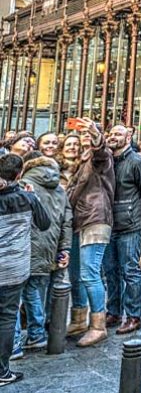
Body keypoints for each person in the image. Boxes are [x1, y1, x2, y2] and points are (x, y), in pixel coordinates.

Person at [103, 125, 141, 335]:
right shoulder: (107, 162)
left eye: (118, 134)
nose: (113, 137)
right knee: (110, 270)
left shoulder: (137, 162)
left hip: (130, 224)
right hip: (110, 224)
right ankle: (114, 311)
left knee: (130, 270)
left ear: (129, 137)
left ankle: (134, 316)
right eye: (111, 134)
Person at [0, 152, 51, 388]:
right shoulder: (27, 198)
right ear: (19, 173)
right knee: (7, 318)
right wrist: (31, 195)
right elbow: (44, 223)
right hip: (14, 267)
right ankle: (2, 370)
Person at [13, 151, 71, 354]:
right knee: (36, 291)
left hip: (24, 246)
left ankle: (22, 341)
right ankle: (38, 333)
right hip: (49, 248)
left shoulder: (22, 185)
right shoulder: (60, 189)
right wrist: (64, 248)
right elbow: (67, 222)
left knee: (19, 295)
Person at [65, 118, 114, 347]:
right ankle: (78, 318)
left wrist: (96, 136)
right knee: (76, 274)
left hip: (95, 219)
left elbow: (101, 153)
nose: (85, 137)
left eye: (89, 133)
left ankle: (97, 325)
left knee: (89, 273)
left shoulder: (99, 158)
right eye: (82, 134)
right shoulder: (80, 161)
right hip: (78, 221)